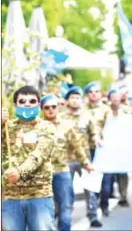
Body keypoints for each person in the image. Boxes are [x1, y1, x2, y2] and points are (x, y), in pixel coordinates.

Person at [1, 86, 57, 231]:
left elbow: (39, 155)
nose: (27, 104)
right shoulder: (6, 127)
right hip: (11, 197)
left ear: (38, 105)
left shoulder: (47, 127)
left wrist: (19, 172)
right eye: (22, 101)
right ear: (15, 106)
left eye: (32, 101)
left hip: (39, 196)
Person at [41, 94, 94, 231]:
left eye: (54, 107)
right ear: (42, 109)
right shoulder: (36, 126)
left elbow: (77, 147)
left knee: (66, 204)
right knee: (45, 207)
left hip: (62, 171)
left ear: (58, 108)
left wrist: (86, 164)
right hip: (41, 175)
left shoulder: (66, 126)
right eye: (47, 107)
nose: (51, 110)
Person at [61, 86, 103, 228]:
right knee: (65, 190)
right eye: (72, 98)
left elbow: (94, 132)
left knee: (90, 189)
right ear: (67, 101)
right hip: (66, 159)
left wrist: (97, 139)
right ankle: (64, 217)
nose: (75, 100)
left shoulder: (87, 115)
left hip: (85, 159)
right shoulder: (61, 117)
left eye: (78, 97)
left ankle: (93, 216)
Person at [83, 82, 113, 217]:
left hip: (104, 149)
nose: (94, 94)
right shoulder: (83, 110)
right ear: (87, 95)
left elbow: (112, 127)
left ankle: (104, 204)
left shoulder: (106, 109)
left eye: (96, 91)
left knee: (106, 180)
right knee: (91, 180)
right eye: (91, 92)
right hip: (87, 149)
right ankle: (92, 208)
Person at [107, 88, 131, 207]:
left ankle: (123, 196)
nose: (116, 101)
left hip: (122, 146)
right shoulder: (104, 112)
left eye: (117, 99)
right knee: (108, 173)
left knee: (123, 173)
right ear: (110, 100)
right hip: (107, 146)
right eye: (113, 99)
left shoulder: (126, 111)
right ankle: (107, 195)